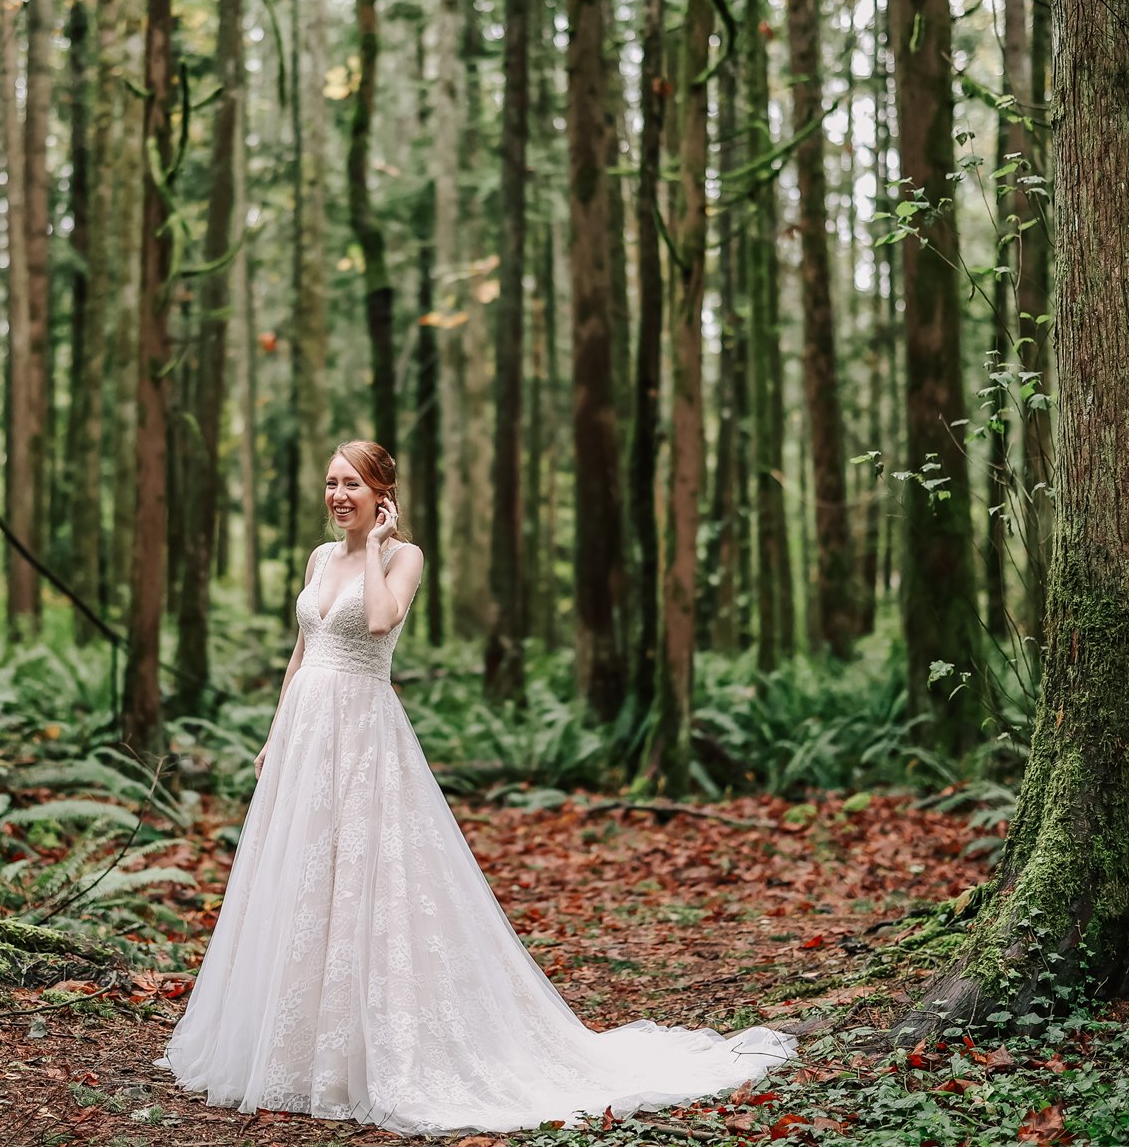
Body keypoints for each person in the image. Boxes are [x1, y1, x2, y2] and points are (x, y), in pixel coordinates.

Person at [156, 439, 795, 1135]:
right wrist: (276, 734)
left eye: (352, 484)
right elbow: (303, 650)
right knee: (303, 879)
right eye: (332, 482)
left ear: (381, 492)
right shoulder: (316, 559)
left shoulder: (405, 557)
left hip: (364, 732)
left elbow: (378, 621)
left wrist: (375, 546)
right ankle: (292, 1048)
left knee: (368, 878)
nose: (338, 495)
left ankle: (365, 1052)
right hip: (307, 734)